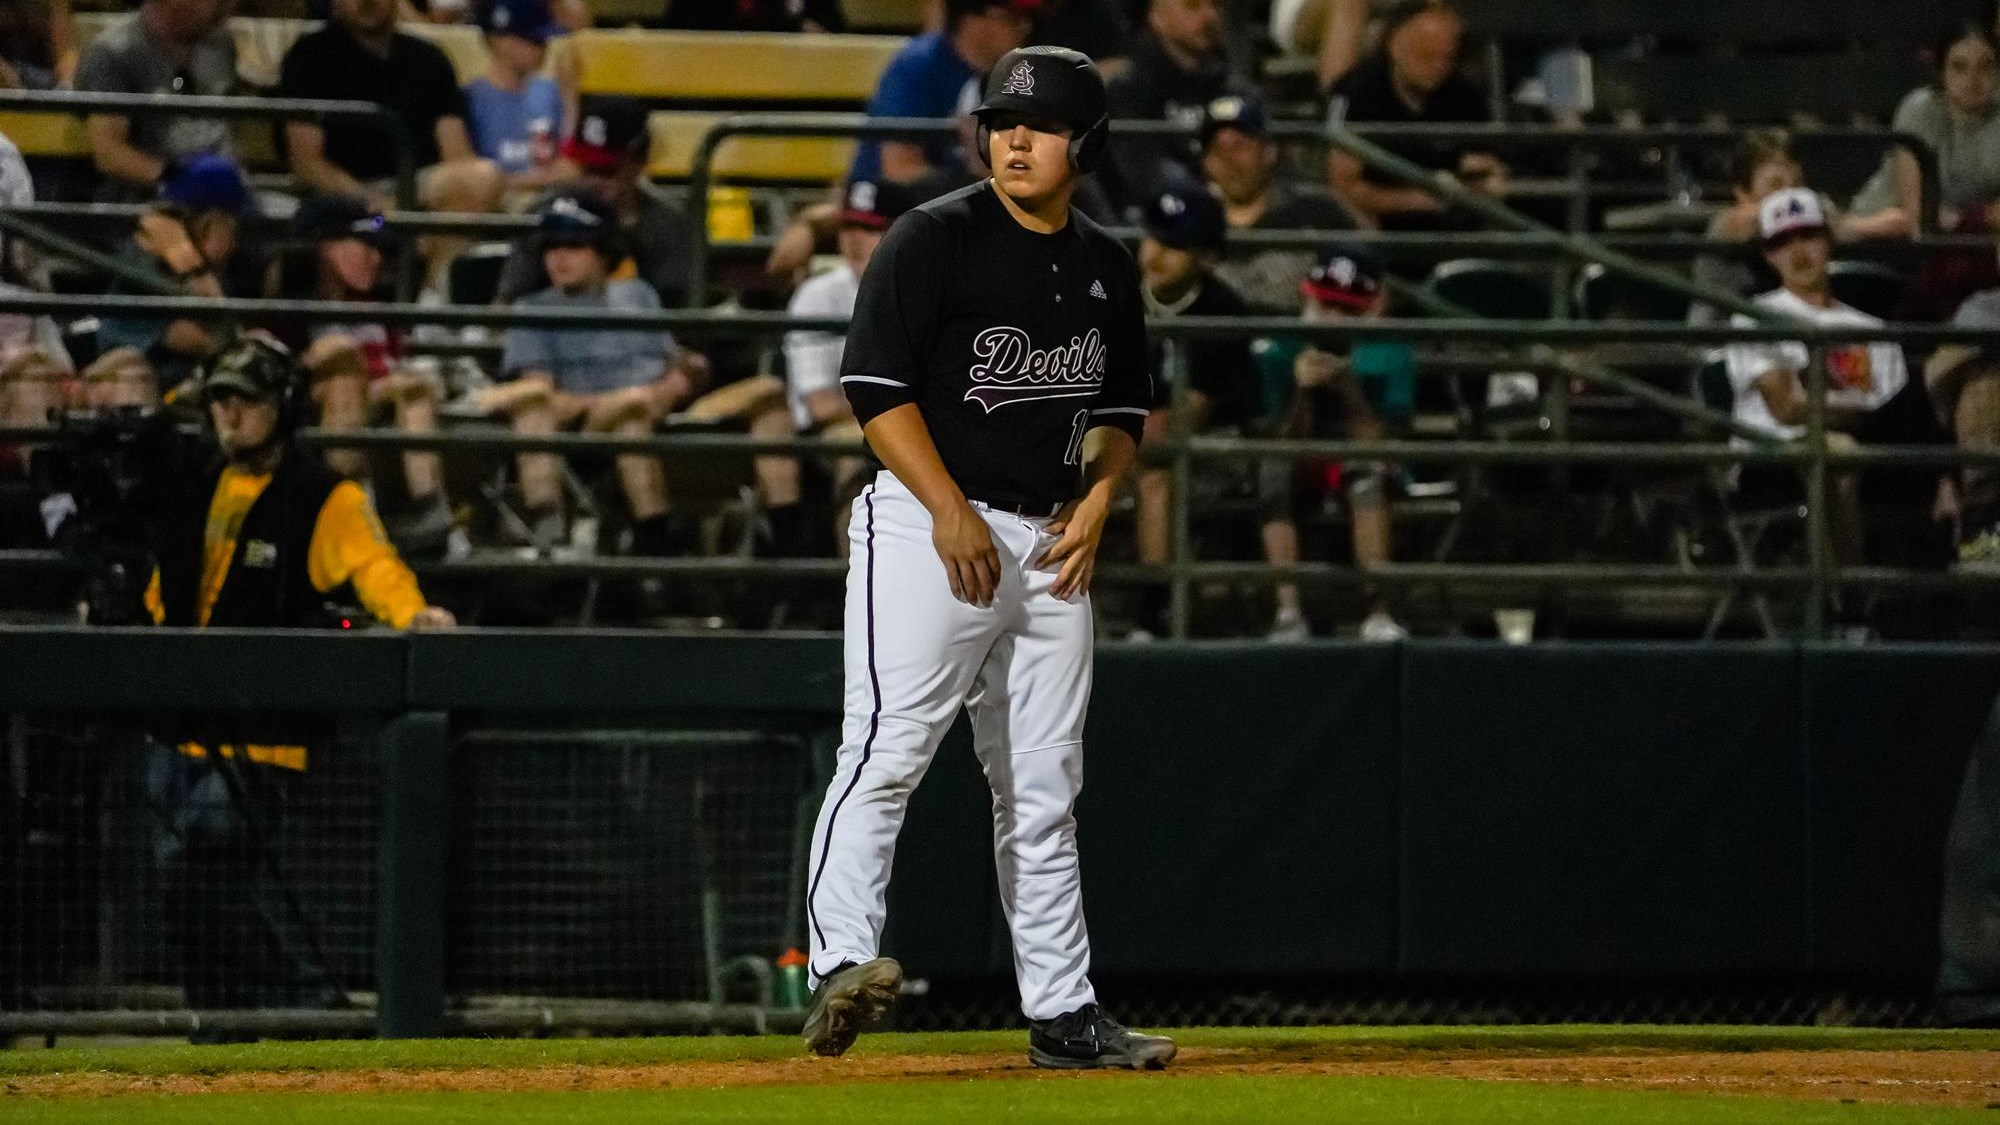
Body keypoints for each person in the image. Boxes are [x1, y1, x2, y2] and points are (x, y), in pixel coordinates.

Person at [801, 45, 1174, 1070]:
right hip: (929, 530)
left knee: (1045, 787)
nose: (1014, 137)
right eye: (1002, 120)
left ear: (1085, 145)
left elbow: (1121, 410)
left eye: (1040, 124)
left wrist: (1099, 498)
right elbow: (875, 391)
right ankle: (837, 961)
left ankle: (1062, 1015)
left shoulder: (1107, 262)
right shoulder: (931, 238)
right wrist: (945, 508)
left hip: (1052, 543)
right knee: (886, 749)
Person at [139, 335, 451, 1023]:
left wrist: (414, 612)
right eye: (220, 400)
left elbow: (375, 565)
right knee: (196, 876)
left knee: (202, 853)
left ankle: (309, 1000)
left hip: (263, 730)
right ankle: (226, 1021)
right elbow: (164, 590)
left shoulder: (322, 496)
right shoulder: (196, 486)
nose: (229, 415)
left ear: (283, 408)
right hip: (179, 723)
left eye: (244, 400)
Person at [1723, 189, 1958, 583]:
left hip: (1870, 453)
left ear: (1828, 240)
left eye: (1808, 235)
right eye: (1781, 241)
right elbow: (1786, 409)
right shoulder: (1756, 316)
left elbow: (1900, 411)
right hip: (1777, 457)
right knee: (1841, 451)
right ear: (1767, 255)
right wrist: (1866, 417)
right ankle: (1846, 606)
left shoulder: (1871, 330)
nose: (1797, 250)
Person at [483, 189, 705, 555]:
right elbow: (542, 397)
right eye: (551, 247)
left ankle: (657, 550)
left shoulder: (638, 295)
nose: (559, 257)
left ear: (603, 251)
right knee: (629, 420)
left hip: (659, 415)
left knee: (637, 417)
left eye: (574, 245)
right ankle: (654, 546)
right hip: (588, 426)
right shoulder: (534, 310)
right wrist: (620, 401)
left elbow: (675, 361)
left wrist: (678, 381)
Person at [268, 194, 452, 557]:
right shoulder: (287, 309)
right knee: (342, 371)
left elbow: (399, 368)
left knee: (413, 386)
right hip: (311, 422)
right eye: (363, 246)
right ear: (323, 248)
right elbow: (276, 375)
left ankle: (433, 512)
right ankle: (353, 515)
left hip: (382, 425)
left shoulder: (375, 310)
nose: (376, 258)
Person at [1248, 242, 1408, 641]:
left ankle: (1379, 612)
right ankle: (1289, 614)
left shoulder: (1389, 352)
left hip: (1357, 458)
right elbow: (1279, 439)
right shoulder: (1280, 347)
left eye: (1348, 308)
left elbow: (1381, 444)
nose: (1334, 317)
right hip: (1301, 457)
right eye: (1327, 304)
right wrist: (1302, 392)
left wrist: (1349, 389)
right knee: (1272, 473)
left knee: (1368, 475)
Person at [1127, 183, 1261, 640]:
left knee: (1156, 474)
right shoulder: (1112, 293)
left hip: (1208, 449)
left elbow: (1180, 420)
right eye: (1153, 237)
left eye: (1175, 245)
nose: (1156, 253)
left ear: (1207, 256)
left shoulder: (1224, 311)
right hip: (1115, 438)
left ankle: (1154, 611)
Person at [781, 177, 919, 553]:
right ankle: (856, 588)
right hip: (836, 429)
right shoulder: (819, 294)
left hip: (905, 421)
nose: (854, 240)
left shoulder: (924, 292)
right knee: (860, 460)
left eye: (870, 229)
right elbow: (821, 405)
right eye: (848, 226)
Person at [277, 0, 498, 208]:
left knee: (481, 178)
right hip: (344, 200)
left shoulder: (430, 60)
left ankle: (425, 245)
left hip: (419, 190)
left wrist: (402, 206)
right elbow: (307, 162)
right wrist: (370, 202)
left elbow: (457, 156)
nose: (367, 1)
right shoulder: (308, 59)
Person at [1689, 131, 1909, 327]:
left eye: (1796, 184)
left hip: (1791, 337)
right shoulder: (1729, 223)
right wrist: (1821, 215)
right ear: (1742, 192)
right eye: (1775, 185)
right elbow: (1746, 222)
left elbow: (1898, 221)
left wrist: (1849, 227)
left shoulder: (1815, 214)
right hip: (1720, 339)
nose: (1790, 195)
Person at [497, 97, 697, 309]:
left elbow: (679, 325)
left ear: (639, 162)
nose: (594, 182)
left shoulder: (670, 224)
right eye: (587, 169)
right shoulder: (543, 215)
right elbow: (506, 308)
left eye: (607, 171)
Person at [1324, 0, 1500, 232]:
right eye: (1426, 56)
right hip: (1377, 221)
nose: (1438, 66)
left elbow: (1488, 171)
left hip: (1451, 222)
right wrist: (1420, 200)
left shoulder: (1465, 96)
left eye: (1446, 57)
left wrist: (1481, 182)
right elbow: (1344, 185)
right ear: (1394, 45)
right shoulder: (1357, 92)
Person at [100, 154, 258, 396]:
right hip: (137, 397)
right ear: (206, 224)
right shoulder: (144, 264)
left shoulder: (208, 271)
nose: (236, 242)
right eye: (232, 228)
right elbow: (220, 345)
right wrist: (185, 258)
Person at [1199, 93, 1357, 313]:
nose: (1230, 161)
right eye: (1218, 151)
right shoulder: (1191, 221)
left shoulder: (1317, 213)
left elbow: (1360, 292)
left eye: (1240, 147)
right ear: (1206, 163)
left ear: (1269, 153)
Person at [848, 0, 1035, 186]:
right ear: (974, 23)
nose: (1025, 29)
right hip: (886, 200)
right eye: (1011, 19)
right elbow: (900, 168)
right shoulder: (920, 63)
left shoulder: (1016, 74)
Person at [72, 0, 240, 202]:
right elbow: (110, 155)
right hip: (147, 202)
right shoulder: (114, 52)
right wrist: (180, 179)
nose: (227, 7)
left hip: (224, 196)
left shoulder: (220, 43)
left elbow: (226, 125)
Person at [1852, 24, 2000, 235]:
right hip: (1883, 231)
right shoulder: (1919, 109)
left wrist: (1967, 219)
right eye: (1959, 67)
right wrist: (1981, 217)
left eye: (1985, 67)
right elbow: (1918, 216)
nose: (1972, 79)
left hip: (1965, 240)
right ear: (1941, 72)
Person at [1104, 0, 1246, 210]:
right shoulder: (1128, 92)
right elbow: (1141, 173)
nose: (1209, 17)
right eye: (1192, 5)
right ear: (1157, 17)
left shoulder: (1236, 91)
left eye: (1216, 5)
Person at [464, 0, 568, 191]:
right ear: (502, 41)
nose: (545, 47)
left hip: (546, 200)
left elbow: (570, 167)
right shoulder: (471, 99)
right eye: (535, 40)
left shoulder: (551, 92)